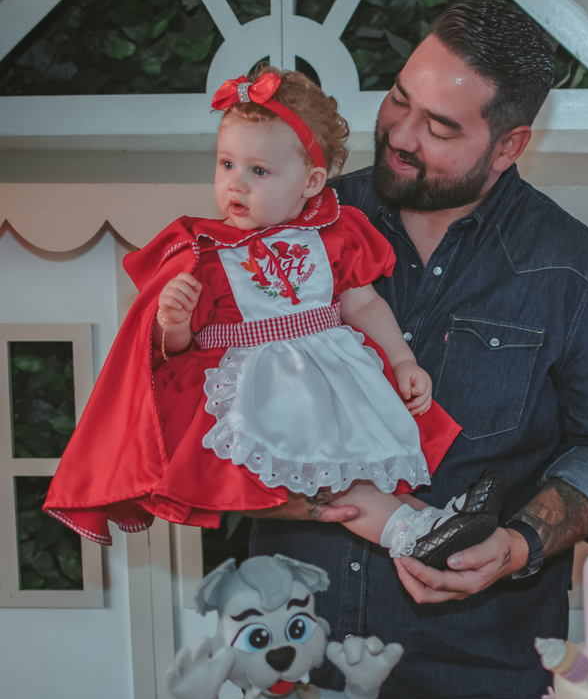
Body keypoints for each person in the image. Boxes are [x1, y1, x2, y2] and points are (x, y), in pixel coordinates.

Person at [248, 0, 588, 699]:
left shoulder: (576, 270)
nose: (401, 137)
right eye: (400, 99)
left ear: (508, 145)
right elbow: (200, 411)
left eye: (440, 128)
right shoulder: (294, 230)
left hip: (474, 687)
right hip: (284, 665)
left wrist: (519, 544)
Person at [44, 65, 471, 560]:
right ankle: (412, 537)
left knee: (365, 469)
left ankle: (428, 523)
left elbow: (363, 303)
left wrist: (401, 361)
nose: (236, 185)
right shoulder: (205, 253)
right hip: (268, 395)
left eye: (259, 171)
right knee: (340, 486)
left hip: (336, 381)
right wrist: (174, 321)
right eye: (227, 164)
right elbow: (177, 350)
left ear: (311, 181)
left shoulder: (334, 233)